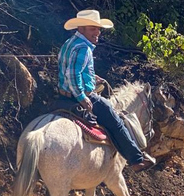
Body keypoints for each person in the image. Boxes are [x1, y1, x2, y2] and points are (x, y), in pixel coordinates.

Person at [57, 9, 155, 171]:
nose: (97, 32)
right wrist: (82, 97)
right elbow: (72, 74)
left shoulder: (70, 44)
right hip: (79, 96)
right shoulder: (84, 49)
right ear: (81, 29)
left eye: (98, 28)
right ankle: (137, 160)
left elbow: (69, 68)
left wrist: (93, 77)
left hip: (63, 95)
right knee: (114, 119)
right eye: (92, 29)